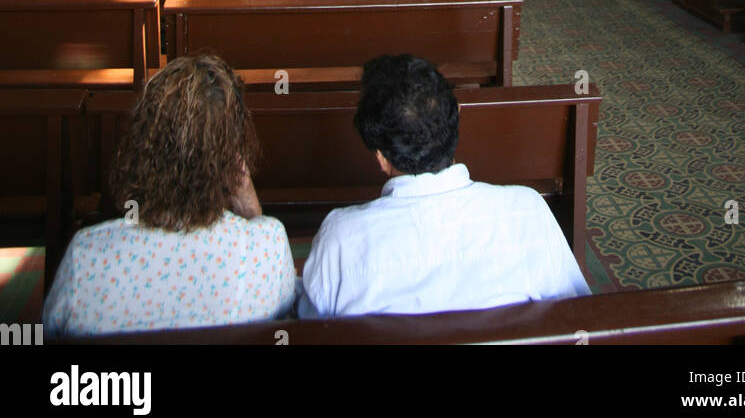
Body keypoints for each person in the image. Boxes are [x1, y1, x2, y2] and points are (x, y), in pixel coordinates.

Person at [298, 55, 590, 318]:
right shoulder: (530, 210)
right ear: (458, 117)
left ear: (381, 158)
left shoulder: (340, 238)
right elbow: (578, 311)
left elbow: (311, 327)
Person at [43, 54, 296, 336]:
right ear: (232, 160)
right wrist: (252, 210)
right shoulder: (266, 246)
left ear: (141, 148)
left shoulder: (86, 257)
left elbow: (53, 331)